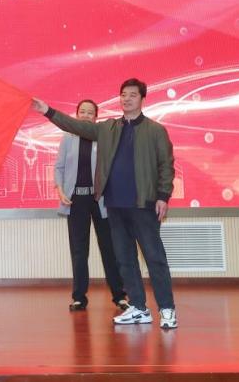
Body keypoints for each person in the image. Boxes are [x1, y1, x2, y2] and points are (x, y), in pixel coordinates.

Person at [33, 78, 177, 329]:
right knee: (125, 259)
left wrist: (163, 196)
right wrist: (48, 111)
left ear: (142, 99)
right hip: (114, 206)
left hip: (143, 205)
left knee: (154, 258)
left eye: (132, 95)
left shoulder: (155, 130)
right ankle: (139, 308)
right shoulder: (108, 128)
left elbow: (166, 165)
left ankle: (167, 309)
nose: (126, 99)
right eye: (123, 94)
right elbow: (75, 125)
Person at [54, 98, 129, 313]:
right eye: (82, 112)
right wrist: (60, 190)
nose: (86, 115)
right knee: (79, 250)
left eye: (90, 112)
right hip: (76, 201)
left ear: (96, 117)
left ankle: (119, 296)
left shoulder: (102, 137)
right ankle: (79, 297)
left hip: (100, 200)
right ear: (77, 115)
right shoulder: (68, 137)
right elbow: (59, 167)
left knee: (109, 249)